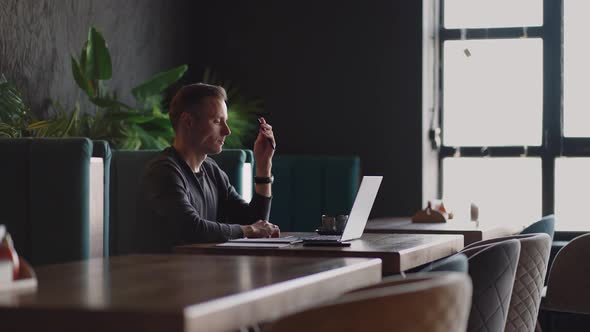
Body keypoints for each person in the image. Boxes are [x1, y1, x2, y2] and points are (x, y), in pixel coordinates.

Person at [137, 83, 279, 253]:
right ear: (188, 121)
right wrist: (248, 230)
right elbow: (192, 228)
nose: (227, 131)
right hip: (161, 276)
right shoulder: (163, 171)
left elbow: (256, 221)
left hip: (201, 272)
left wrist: (264, 165)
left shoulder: (212, 171)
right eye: (217, 121)